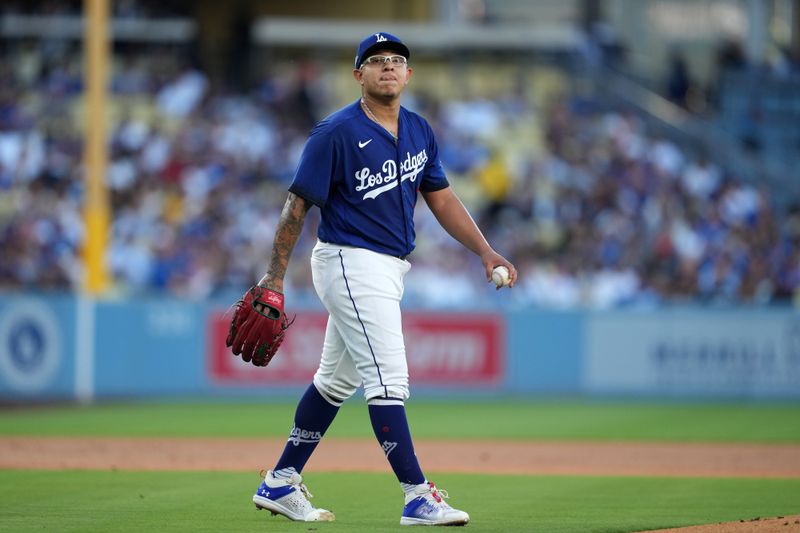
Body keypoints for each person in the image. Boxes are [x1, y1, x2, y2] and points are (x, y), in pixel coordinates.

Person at [246, 31, 517, 526]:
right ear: (359, 75)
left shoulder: (419, 130)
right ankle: (417, 495)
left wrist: (484, 249)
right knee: (388, 379)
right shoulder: (335, 132)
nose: (388, 66)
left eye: (396, 60)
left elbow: (442, 199)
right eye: (376, 60)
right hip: (349, 259)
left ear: (408, 75)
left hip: (389, 267)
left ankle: (280, 481)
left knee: (334, 382)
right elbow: (296, 205)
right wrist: (275, 276)